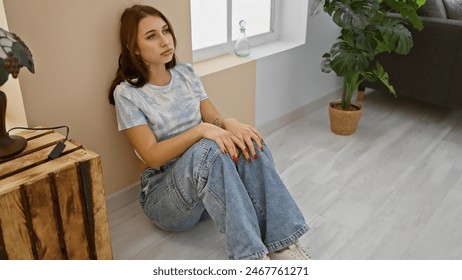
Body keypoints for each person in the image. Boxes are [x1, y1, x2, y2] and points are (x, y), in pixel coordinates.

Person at [109, 4, 310, 260]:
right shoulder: (127, 94)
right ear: (134, 48)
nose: (164, 41)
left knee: (247, 140)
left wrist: (230, 122)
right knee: (208, 147)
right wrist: (201, 130)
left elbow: (213, 118)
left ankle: (283, 245)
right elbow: (153, 156)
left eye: (165, 31)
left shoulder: (186, 74)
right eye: (151, 36)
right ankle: (251, 259)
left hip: (208, 191)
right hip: (165, 198)